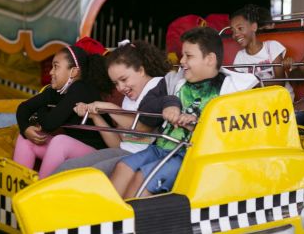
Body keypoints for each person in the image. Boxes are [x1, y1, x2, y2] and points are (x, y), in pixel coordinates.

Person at [109, 27, 258, 199]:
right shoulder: (173, 80)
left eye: (189, 56)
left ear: (209, 59)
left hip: (191, 156)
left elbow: (237, 134)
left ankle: (131, 223)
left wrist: (197, 124)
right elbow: (145, 108)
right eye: (182, 55)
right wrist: (169, 103)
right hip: (161, 148)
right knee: (122, 167)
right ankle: (105, 219)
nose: (182, 61)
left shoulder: (233, 90)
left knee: (142, 178)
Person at [53, 39, 172, 176]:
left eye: (124, 79)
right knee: (68, 167)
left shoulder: (156, 87)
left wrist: (108, 107)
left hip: (145, 157)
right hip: (124, 153)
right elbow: (118, 145)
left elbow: (142, 127)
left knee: (89, 174)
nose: (120, 88)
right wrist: (96, 116)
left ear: (140, 70)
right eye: (116, 83)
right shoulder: (129, 98)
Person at [13, 37, 114, 179]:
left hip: (97, 155)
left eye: (56, 66)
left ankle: (40, 195)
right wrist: (26, 128)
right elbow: (23, 108)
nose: (51, 72)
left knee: (60, 141)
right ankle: (19, 193)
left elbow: (49, 124)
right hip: (72, 153)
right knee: (25, 139)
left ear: (73, 72)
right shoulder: (56, 91)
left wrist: (40, 109)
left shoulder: (82, 89)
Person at [230, 4, 294, 101]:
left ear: (254, 27)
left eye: (240, 28)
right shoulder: (240, 57)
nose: (235, 34)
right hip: (259, 102)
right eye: (233, 31)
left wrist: (255, 84)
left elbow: (280, 82)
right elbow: (241, 87)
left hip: (281, 99)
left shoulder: (272, 47)